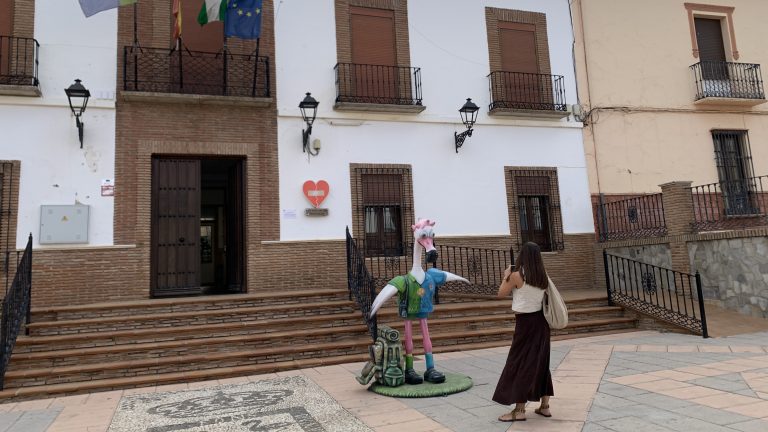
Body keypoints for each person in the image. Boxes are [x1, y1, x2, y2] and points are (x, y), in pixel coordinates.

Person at [492, 241, 554, 422]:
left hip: (525, 323)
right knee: (541, 363)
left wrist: (506, 276)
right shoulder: (543, 275)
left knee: (519, 363)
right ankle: (545, 406)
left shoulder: (517, 275)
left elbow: (500, 293)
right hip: (541, 323)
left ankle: (519, 411)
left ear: (523, 255)